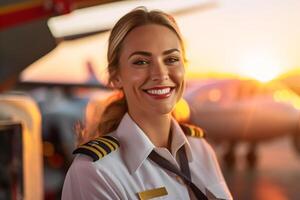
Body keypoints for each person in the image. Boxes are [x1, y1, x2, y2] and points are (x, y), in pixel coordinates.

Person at [62, 7, 232, 200]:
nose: (160, 74)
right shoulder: (95, 172)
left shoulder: (201, 149)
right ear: (116, 76)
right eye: (141, 62)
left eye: (171, 59)